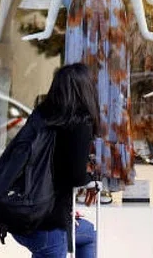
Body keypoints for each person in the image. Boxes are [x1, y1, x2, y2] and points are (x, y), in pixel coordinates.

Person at [11, 63, 100, 258]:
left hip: (19, 217)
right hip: (49, 224)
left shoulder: (40, 117)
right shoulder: (79, 123)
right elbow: (75, 176)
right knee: (64, 242)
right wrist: (91, 179)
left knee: (88, 234)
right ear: (85, 91)